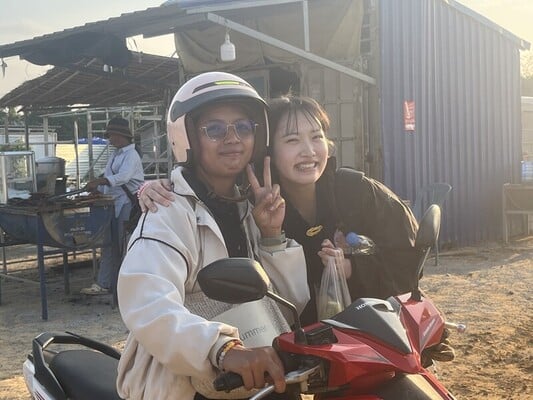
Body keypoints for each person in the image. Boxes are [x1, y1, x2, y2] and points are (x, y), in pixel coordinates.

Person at [139, 94, 419, 327]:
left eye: (317, 137)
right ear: (267, 150)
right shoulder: (252, 207)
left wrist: (352, 268)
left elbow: (408, 258)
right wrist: (156, 187)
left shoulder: (357, 191)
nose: (309, 151)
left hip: (376, 336)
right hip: (300, 350)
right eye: (292, 140)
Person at [116, 72, 309, 400]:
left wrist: (271, 235)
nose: (233, 138)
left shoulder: (247, 207)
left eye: (243, 127)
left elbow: (286, 309)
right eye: (215, 129)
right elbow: (147, 302)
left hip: (253, 373)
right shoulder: (167, 210)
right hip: (184, 384)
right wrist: (222, 348)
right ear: (187, 137)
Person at [80, 117, 144, 295]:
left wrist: (100, 181)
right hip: (114, 204)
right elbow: (109, 178)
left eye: (113, 135)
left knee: (124, 246)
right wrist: (98, 190)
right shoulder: (116, 155)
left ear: (122, 136)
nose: (110, 139)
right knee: (109, 245)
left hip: (127, 205)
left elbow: (123, 177)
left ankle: (126, 285)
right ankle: (105, 283)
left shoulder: (131, 155)